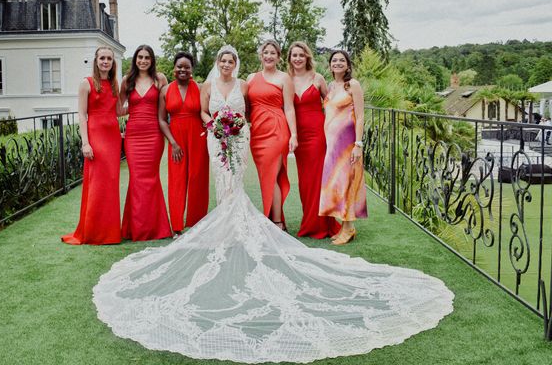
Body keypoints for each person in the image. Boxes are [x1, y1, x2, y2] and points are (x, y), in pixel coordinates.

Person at [93, 44, 454, 363]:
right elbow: (204, 111)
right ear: (218, 62)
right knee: (222, 183)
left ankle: (281, 221)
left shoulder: (249, 84)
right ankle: (231, 222)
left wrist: (243, 125)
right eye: (222, 59)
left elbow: (254, 109)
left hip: (245, 135)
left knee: (246, 180)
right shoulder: (211, 84)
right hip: (218, 137)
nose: (226, 64)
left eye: (230, 59)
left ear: (236, 62)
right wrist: (217, 122)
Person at [61, 47, 123, 245]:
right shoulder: (86, 84)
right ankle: (93, 232)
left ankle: (111, 233)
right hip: (96, 137)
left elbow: (120, 111)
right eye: (102, 58)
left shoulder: (115, 84)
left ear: (113, 63)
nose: (106, 61)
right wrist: (85, 143)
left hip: (113, 137)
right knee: (96, 184)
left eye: (109, 59)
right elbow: (82, 115)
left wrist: (144, 103)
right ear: (96, 61)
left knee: (111, 184)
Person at [288, 41, 340, 239]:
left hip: (318, 133)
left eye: (301, 55)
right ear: (290, 59)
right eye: (295, 55)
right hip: (298, 134)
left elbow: (330, 104)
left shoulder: (317, 78)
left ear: (307, 57)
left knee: (319, 178)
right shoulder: (286, 79)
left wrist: (337, 128)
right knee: (305, 181)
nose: (298, 58)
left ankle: (323, 224)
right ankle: (309, 222)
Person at [120, 45, 172, 241]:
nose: (143, 60)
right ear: (135, 59)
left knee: (151, 178)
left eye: (147, 57)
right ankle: (135, 229)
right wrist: (134, 109)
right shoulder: (127, 80)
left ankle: (155, 228)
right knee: (136, 178)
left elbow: (166, 108)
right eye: (140, 57)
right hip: (133, 136)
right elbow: (118, 108)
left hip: (153, 135)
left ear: (152, 60)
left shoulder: (160, 79)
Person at [247, 39, 297, 230]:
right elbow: (245, 107)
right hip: (257, 133)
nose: (268, 56)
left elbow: (290, 109)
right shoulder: (251, 78)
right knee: (265, 177)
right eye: (265, 52)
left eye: (272, 53)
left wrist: (294, 135)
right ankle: (274, 219)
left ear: (278, 57)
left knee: (272, 177)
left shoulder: (284, 78)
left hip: (277, 130)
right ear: (261, 55)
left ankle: (276, 223)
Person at [158, 52, 209, 236]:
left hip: (198, 137)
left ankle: (197, 223)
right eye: (180, 66)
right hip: (176, 139)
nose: (183, 70)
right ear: (174, 68)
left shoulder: (201, 88)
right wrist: (173, 143)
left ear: (192, 70)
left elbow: (207, 112)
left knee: (197, 178)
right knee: (177, 180)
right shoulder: (165, 90)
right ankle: (177, 226)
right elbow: (162, 120)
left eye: (187, 67)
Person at [320, 50, 367, 245]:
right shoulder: (331, 86)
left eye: (342, 60)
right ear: (330, 65)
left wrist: (358, 143)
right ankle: (346, 227)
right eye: (334, 60)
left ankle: (348, 229)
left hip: (348, 143)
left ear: (348, 65)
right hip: (332, 144)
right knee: (338, 183)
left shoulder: (352, 85)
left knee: (348, 182)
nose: (337, 63)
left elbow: (361, 116)